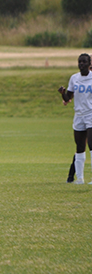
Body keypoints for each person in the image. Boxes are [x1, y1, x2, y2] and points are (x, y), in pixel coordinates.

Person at [58, 53, 92, 184]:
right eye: (79, 62)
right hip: (78, 115)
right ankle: (80, 179)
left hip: (91, 114)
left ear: (89, 64)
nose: (81, 64)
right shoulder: (74, 78)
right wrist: (63, 94)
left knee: (91, 145)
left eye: (84, 62)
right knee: (79, 147)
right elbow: (68, 98)